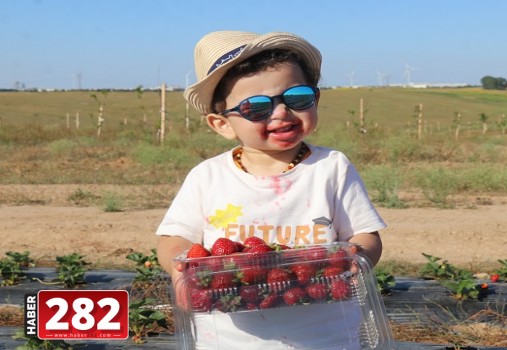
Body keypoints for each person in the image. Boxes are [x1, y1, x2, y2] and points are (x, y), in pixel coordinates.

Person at [156, 30, 386, 349]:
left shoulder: (331, 167)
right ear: (222, 124)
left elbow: (365, 235)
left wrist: (354, 256)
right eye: (256, 108)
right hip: (229, 340)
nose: (281, 113)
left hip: (328, 338)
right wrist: (181, 269)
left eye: (296, 98)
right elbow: (175, 238)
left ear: (315, 99)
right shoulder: (207, 176)